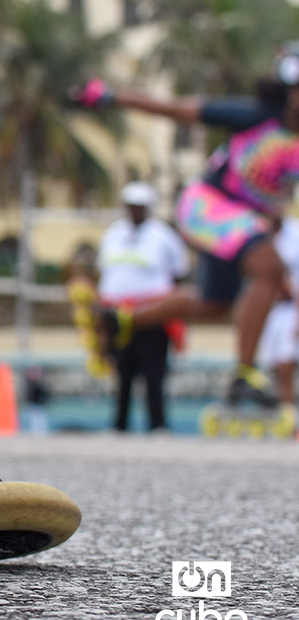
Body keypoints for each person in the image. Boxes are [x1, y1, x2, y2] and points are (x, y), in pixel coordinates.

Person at [71, 44, 299, 406]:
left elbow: (272, 193)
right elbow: (175, 109)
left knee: (214, 303)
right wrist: (111, 96)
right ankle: (244, 375)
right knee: (270, 268)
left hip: (241, 222)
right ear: (287, 93)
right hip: (206, 206)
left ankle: (122, 319)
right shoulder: (255, 117)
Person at [96, 181, 190, 432]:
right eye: (131, 206)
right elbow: (104, 273)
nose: (134, 211)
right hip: (117, 314)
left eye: (139, 206)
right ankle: (119, 425)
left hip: (152, 314)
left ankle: (157, 424)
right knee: (121, 372)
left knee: (154, 373)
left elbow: (179, 275)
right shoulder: (112, 234)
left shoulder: (164, 237)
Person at [255, 215, 299, 404]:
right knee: (274, 366)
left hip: (290, 309)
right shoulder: (252, 230)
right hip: (268, 310)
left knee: (285, 365)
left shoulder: (294, 235)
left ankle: (289, 416)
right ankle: (285, 414)